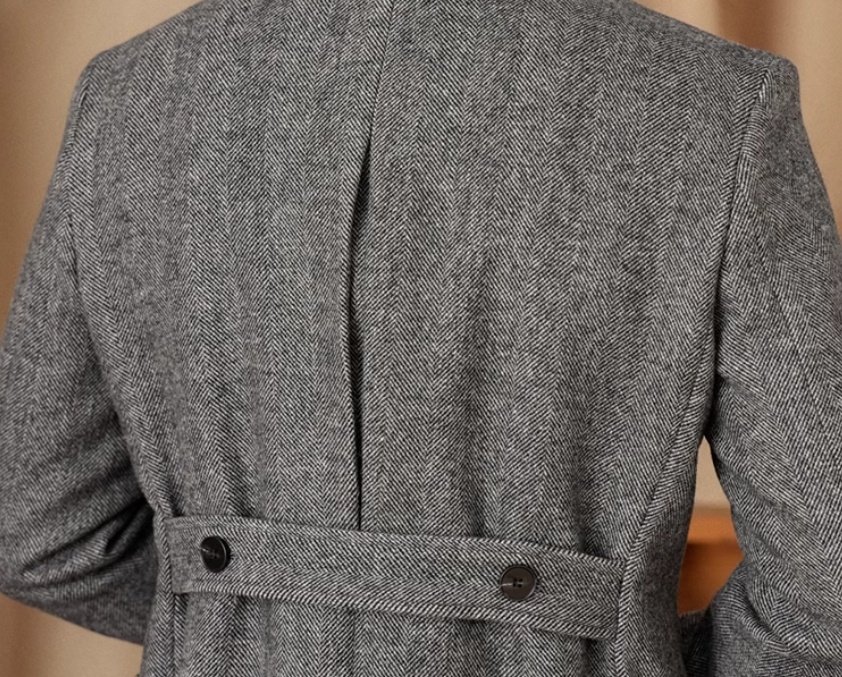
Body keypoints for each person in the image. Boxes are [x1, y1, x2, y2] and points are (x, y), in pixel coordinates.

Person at [1, 0, 840, 674]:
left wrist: (245, 613)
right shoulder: (718, 106)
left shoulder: (129, 96)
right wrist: (616, 641)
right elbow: (827, 591)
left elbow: (37, 530)